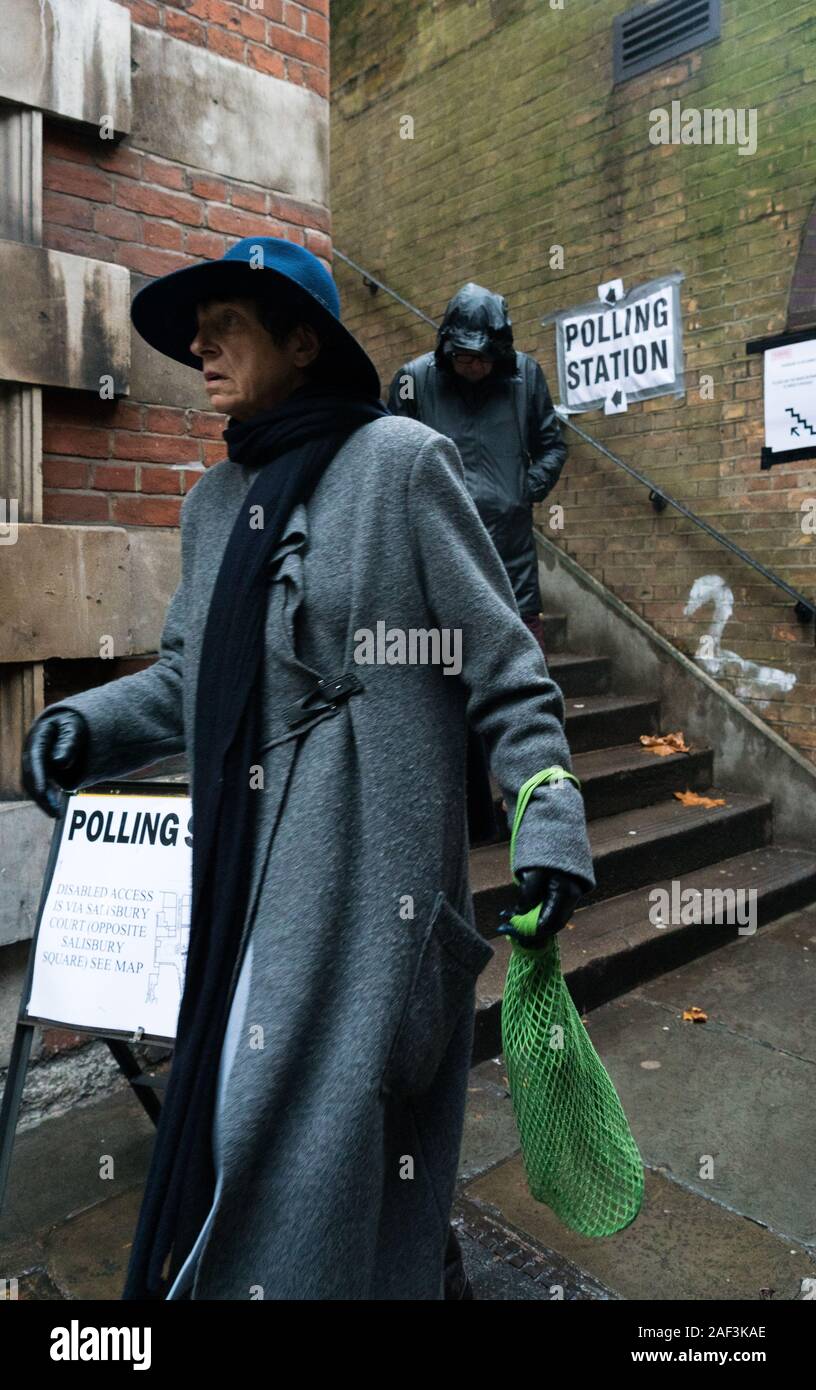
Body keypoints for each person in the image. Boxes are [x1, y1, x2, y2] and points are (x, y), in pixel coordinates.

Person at [21, 236, 595, 1301]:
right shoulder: (209, 506)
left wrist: (546, 812)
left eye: (224, 322)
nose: (197, 343)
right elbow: (187, 680)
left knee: (306, 1130)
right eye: (196, 329)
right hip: (242, 884)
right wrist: (83, 724)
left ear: (300, 341)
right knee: (306, 1144)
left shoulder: (401, 465)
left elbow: (504, 663)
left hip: (372, 890)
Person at [388, 283, 567, 654]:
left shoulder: (526, 376)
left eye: (485, 358)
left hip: (512, 556)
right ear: (447, 348)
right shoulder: (413, 381)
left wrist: (522, 489)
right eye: (465, 358)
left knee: (525, 678)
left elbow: (552, 446)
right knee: (450, 682)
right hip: (441, 555)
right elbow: (389, 463)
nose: (475, 366)